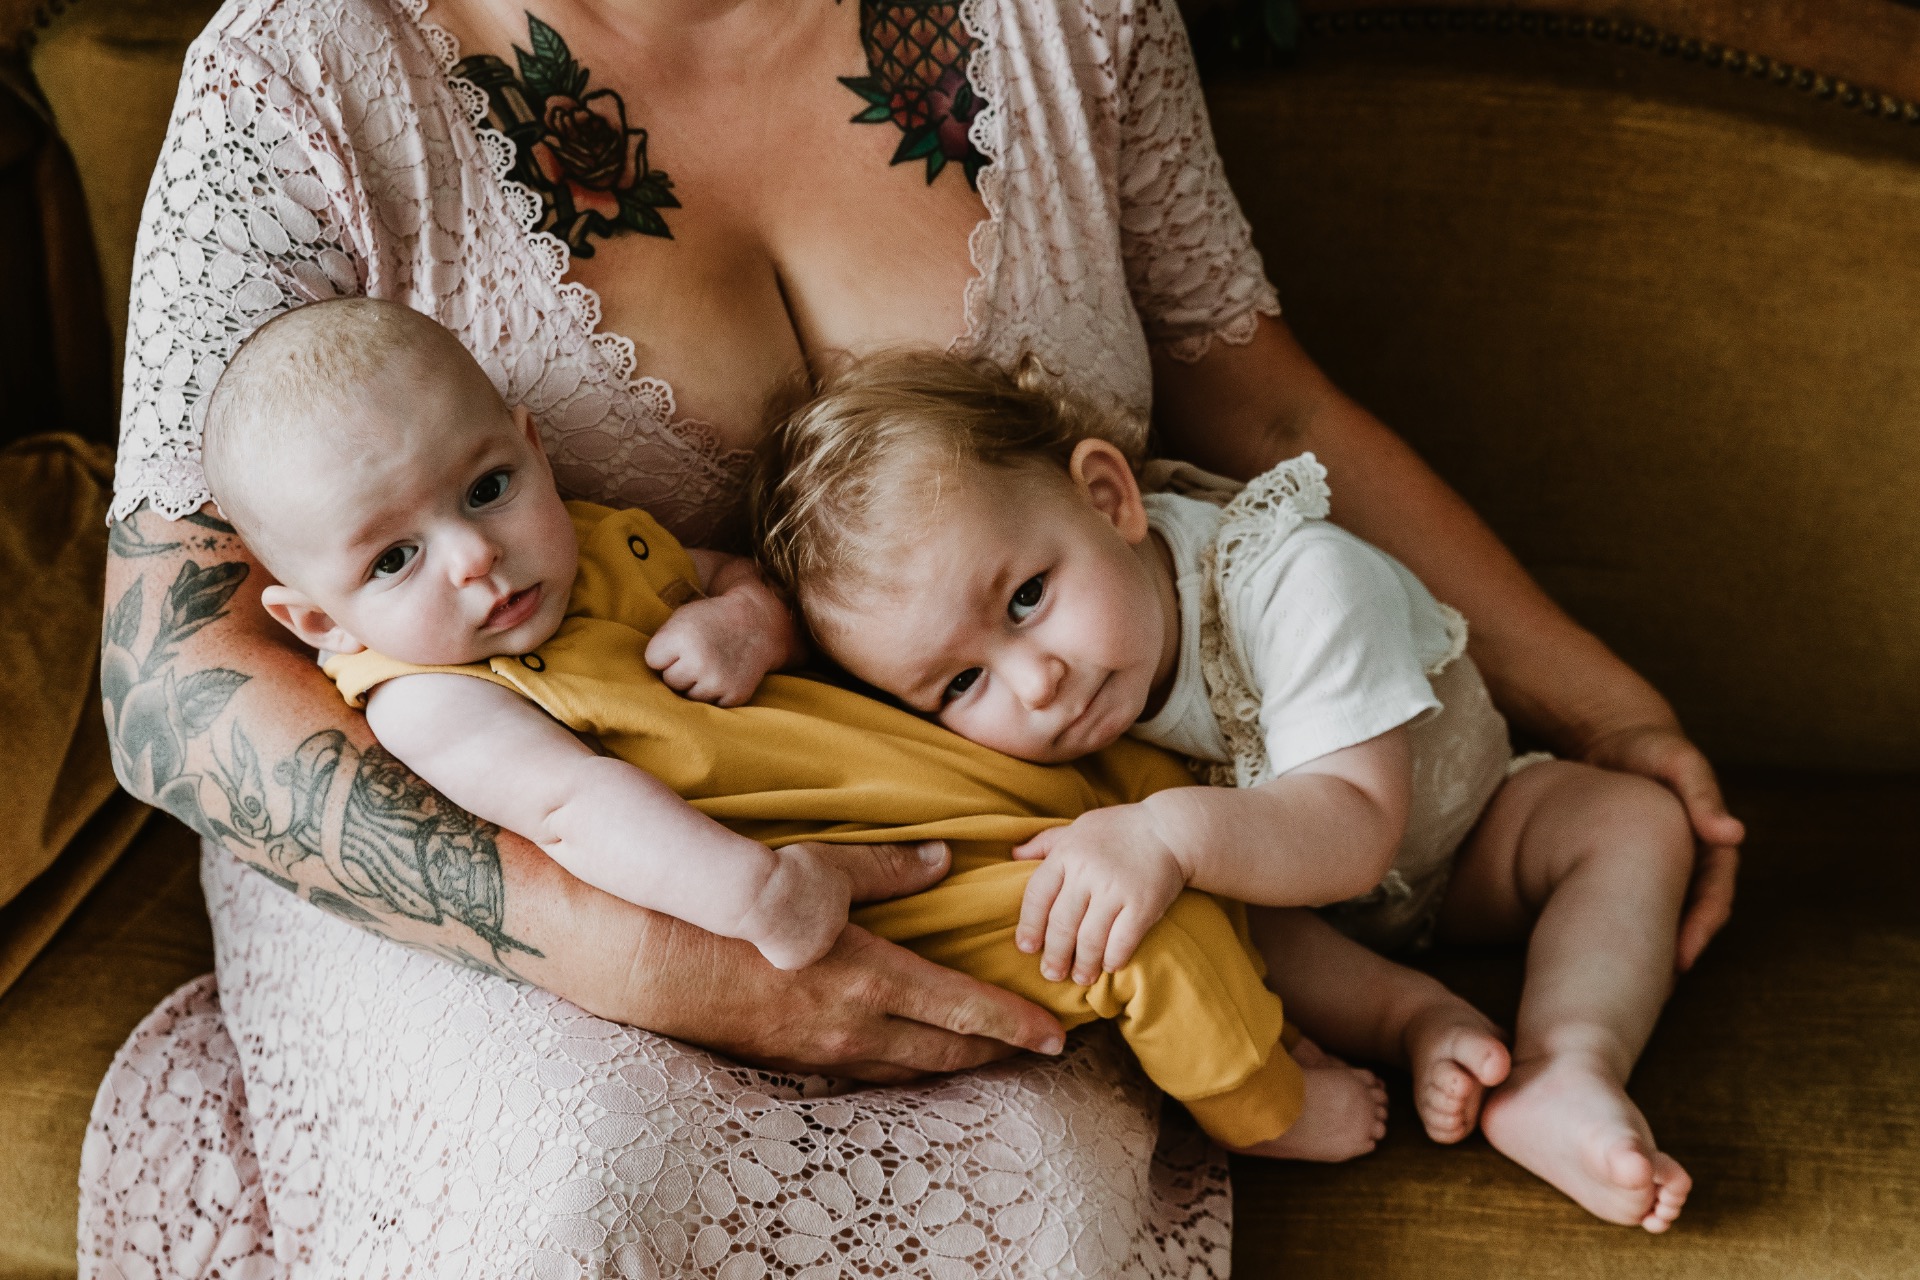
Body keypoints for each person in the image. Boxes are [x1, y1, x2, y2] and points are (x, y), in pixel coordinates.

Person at [89, 0, 1740, 1271]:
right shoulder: (306, 76)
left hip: (973, 829)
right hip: (506, 839)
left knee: (1033, 1175)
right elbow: (170, 668)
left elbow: (1264, 390)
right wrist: (622, 945)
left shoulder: (1067, 18)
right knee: (578, 1181)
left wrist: (1612, 714)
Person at [202, 295, 1394, 1161]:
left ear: (529, 441)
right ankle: (1269, 1108)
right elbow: (571, 807)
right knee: (1144, 935)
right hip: (850, 870)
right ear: (314, 615)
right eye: (395, 556)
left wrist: (746, 619)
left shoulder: (594, 539)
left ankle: (1385, 1001)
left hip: (954, 767)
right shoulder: (428, 695)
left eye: (485, 489)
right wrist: (749, 898)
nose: (473, 558)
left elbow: (724, 574)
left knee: (1175, 809)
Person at [753, 350, 1697, 1232]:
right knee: (1183, 910)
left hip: (1475, 826)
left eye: (1027, 597)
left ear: (1107, 496)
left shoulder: (1299, 580)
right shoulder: (1050, 725)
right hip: (1292, 918)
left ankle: (1565, 1064)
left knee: (1634, 825)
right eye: (961, 685)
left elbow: (1357, 827)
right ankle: (1414, 1017)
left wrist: (1167, 836)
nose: (1035, 684)